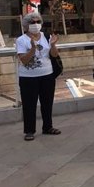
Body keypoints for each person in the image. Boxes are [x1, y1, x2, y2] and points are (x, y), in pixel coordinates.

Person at [16, 12, 61, 141]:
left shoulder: (46, 36)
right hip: (28, 77)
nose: (36, 25)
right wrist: (32, 49)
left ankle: (48, 127)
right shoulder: (21, 40)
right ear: (26, 26)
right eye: (32, 22)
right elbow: (23, 60)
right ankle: (29, 130)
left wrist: (53, 45)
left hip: (47, 74)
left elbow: (54, 55)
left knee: (47, 102)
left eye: (38, 22)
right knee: (29, 103)